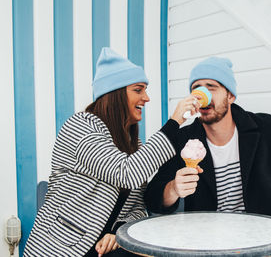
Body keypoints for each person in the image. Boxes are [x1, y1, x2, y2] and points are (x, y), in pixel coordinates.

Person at [23, 47, 200, 257]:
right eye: (138, 89)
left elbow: (138, 206)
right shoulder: (80, 126)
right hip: (62, 249)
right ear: (114, 94)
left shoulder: (133, 144)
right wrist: (174, 121)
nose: (146, 98)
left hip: (104, 249)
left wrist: (118, 232)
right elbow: (126, 173)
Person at [144, 57, 271, 257]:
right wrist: (173, 188)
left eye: (211, 87)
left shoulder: (265, 127)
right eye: (197, 87)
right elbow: (153, 196)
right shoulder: (183, 140)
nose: (202, 94)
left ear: (230, 96)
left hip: (266, 242)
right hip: (210, 245)